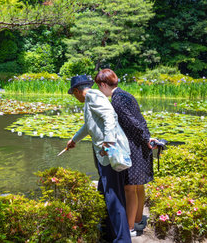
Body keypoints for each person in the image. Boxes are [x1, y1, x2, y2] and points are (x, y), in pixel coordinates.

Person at [66, 74, 131, 243]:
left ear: (76, 91)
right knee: (105, 194)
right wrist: (74, 140)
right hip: (103, 156)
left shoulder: (93, 96)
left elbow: (110, 116)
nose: (74, 97)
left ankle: (122, 239)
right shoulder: (90, 100)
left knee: (114, 197)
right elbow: (89, 125)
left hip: (109, 155)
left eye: (73, 94)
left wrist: (108, 143)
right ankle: (108, 234)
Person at [95, 69, 157, 237]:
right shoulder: (126, 94)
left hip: (133, 146)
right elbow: (140, 120)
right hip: (141, 144)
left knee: (130, 187)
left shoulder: (117, 100)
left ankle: (129, 228)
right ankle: (137, 221)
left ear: (103, 84)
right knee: (138, 185)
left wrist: (145, 138)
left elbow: (132, 123)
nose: (100, 91)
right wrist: (147, 138)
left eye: (99, 87)